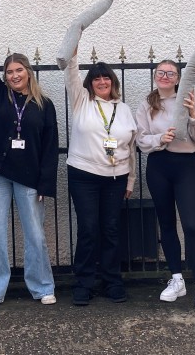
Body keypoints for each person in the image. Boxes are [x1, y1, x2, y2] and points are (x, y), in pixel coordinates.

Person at [0, 13, 59, 309]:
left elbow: (50, 147)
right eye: (9, 72)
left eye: (18, 70)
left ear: (29, 72)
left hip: (30, 177)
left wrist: (46, 182)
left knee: (35, 234)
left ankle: (42, 286)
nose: (13, 75)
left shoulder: (45, 105)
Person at [135, 60, 195, 313]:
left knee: (191, 224)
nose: (165, 76)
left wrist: (193, 115)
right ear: (155, 76)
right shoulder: (148, 104)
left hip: (185, 165)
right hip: (158, 165)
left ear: (179, 78)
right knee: (167, 224)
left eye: (170, 73)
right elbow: (140, 138)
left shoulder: (192, 100)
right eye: (161, 72)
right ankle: (177, 278)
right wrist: (160, 138)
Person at [64, 39, 136, 305]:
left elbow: (131, 148)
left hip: (116, 179)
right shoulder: (81, 101)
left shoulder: (125, 110)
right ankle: (83, 283)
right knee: (88, 229)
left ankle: (112, 281)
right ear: (90, 83)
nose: (102, 82)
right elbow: (71, 73)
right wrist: (73, 48)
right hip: (83, 176)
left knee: (111, 229)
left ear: (113, 82)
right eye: (97, 78)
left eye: (106, 78)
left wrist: (130, 180)